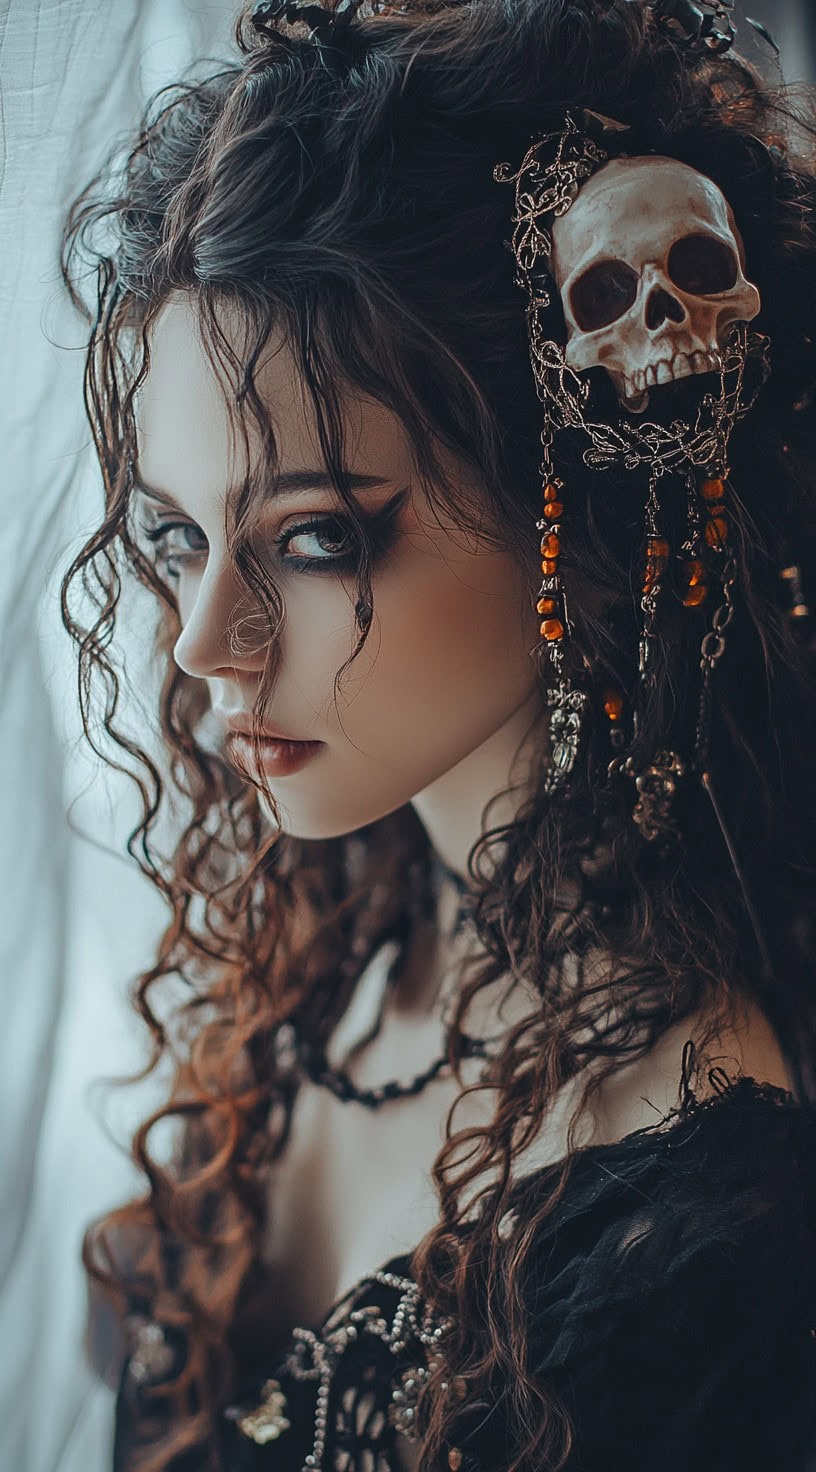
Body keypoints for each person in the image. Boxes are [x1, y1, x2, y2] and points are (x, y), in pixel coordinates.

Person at [59, 0, 816, 1468]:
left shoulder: (698, 1214)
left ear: (584, 514)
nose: (202, 640)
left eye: (320, 538)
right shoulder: (342, 932)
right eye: (171, 536)